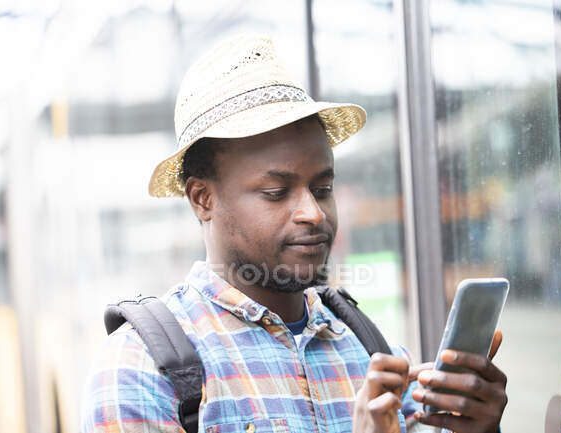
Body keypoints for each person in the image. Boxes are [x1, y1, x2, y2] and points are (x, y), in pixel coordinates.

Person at [80, 33, 508, 433]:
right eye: (275, 192)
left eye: (323, 189)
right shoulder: (140, 368)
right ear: (202, 199)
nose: (313, 213)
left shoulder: (374, 351)